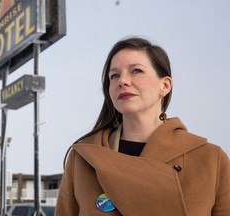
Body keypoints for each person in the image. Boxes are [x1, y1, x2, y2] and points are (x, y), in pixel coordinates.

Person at [54, 36, 230, 216]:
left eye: (136, 71)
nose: (122, 81)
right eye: (114, 76)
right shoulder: (83, 157)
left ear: (165, 85)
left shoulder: (210, 159)